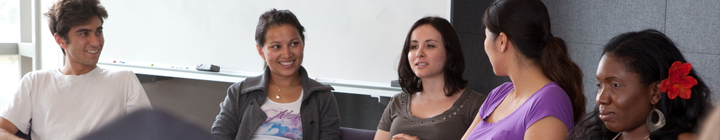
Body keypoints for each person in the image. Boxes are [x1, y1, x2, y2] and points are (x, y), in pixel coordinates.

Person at [0, 0, 152, 139]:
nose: (95, 42)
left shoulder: (124, 80)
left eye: (98, 32)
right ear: (60, 40)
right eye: (84, 33)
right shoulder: (35, 82)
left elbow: (150, 133)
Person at [462, 0, 586, 139]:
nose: (484, 45)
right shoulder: (498, 95)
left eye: (486, 36)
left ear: (502, 41)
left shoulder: (550, 101)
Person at [211, 9, 340, 140]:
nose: (287, 54)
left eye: (294, 44)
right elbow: (219, 134)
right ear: (261, 51)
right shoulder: (240, 93)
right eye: (276, 46)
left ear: (303, 44)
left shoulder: (322, 97)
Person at [571, 29, 712, 140]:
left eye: (615, 85)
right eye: (599, 85)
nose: (601, 99)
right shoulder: (593, 137)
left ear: (655, 92)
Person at [374, 16, 487, 140]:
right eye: (413, 46)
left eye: (430, 46)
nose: (419, 53)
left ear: (449, 52)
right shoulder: (397, 102)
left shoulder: (477, 105)